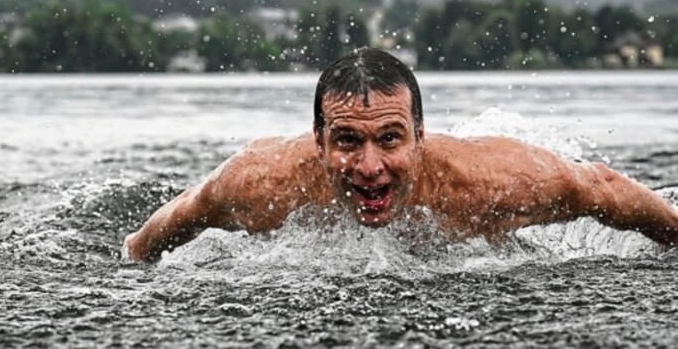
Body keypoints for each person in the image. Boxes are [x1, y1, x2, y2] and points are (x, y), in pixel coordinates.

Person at [123, 48, 678, 261]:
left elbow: (602, 187)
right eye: (346, 141)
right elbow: (156, 232)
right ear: (317, 142)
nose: (369, 167)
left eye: (390, 139)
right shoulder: (260, 183)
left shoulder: (490, 183)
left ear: (419, 136)